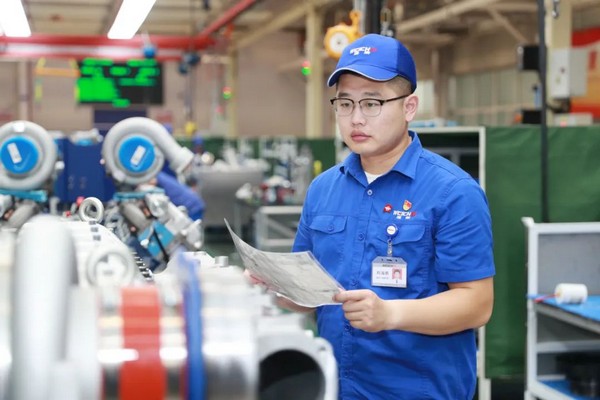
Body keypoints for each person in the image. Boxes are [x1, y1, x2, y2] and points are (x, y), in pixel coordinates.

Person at [250, 33, 495, 399]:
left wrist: (390, 314)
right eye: (345, 103)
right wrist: (272, 286)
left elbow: (476, 304)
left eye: (372, 103)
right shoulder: (323, 189)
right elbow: (310, 292)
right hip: (336, 387)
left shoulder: (454, 192)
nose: (356, 118)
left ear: (409, 107)